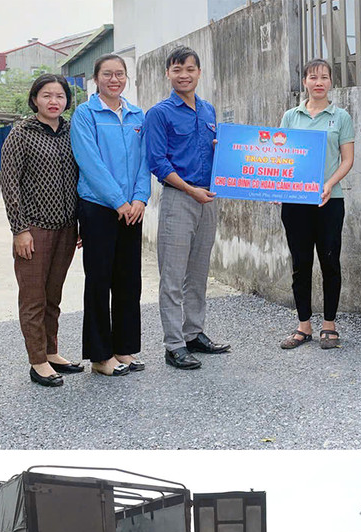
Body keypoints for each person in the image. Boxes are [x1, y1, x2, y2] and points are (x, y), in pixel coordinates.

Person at [146, 45, 229, 371]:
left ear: (198, 72)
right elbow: (157, 161)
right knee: (173, 275)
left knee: (198, 273)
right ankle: (174, 345)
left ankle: (194, 333)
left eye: (190, 69)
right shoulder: (160, 113)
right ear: (168, 73)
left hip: (208, 200)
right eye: (177, 70)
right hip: (179, 200)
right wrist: (190, 190)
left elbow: (218, 152)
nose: (184, 75)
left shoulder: (208, 110)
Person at [0, 73, 82, 387]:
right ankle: (37, 361)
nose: (53, 101)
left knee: (53, 296)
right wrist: (19, 230)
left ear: (66, 101)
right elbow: (10, 184)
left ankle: (52, 351)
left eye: (59, 96)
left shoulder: (71, 131)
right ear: (35, 98)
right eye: (46, 95)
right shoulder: (20, 133)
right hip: (33, 228)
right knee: (33, 298)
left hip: (66, 227)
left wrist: (81, 223)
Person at [70, 53, 149, 377]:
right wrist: (118, 201)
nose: (114, 80)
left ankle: (124, 348)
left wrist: (140, 198)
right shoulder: (85, 114)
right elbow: (90, 162)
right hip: (100, 208)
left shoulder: (136, 115)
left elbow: (145, 161)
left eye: (119, 74)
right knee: (99, 281)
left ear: (126, 78)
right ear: (96, 79)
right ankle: (101, 356)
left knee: (129, 281)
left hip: (132, 208)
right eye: (107, 74)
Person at [278, 58, 355, 351]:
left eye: (324, 77)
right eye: (313, 77)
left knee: (330, 261)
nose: (318, 82)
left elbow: (347, 160)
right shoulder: (290, 116)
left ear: (331, 82)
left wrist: (329, 183)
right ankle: (303, 326)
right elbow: (281, 158)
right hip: (295, 202)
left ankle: (330, 326)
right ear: (305, 82)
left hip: (329, 201)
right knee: (300, 264)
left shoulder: (341, 117)